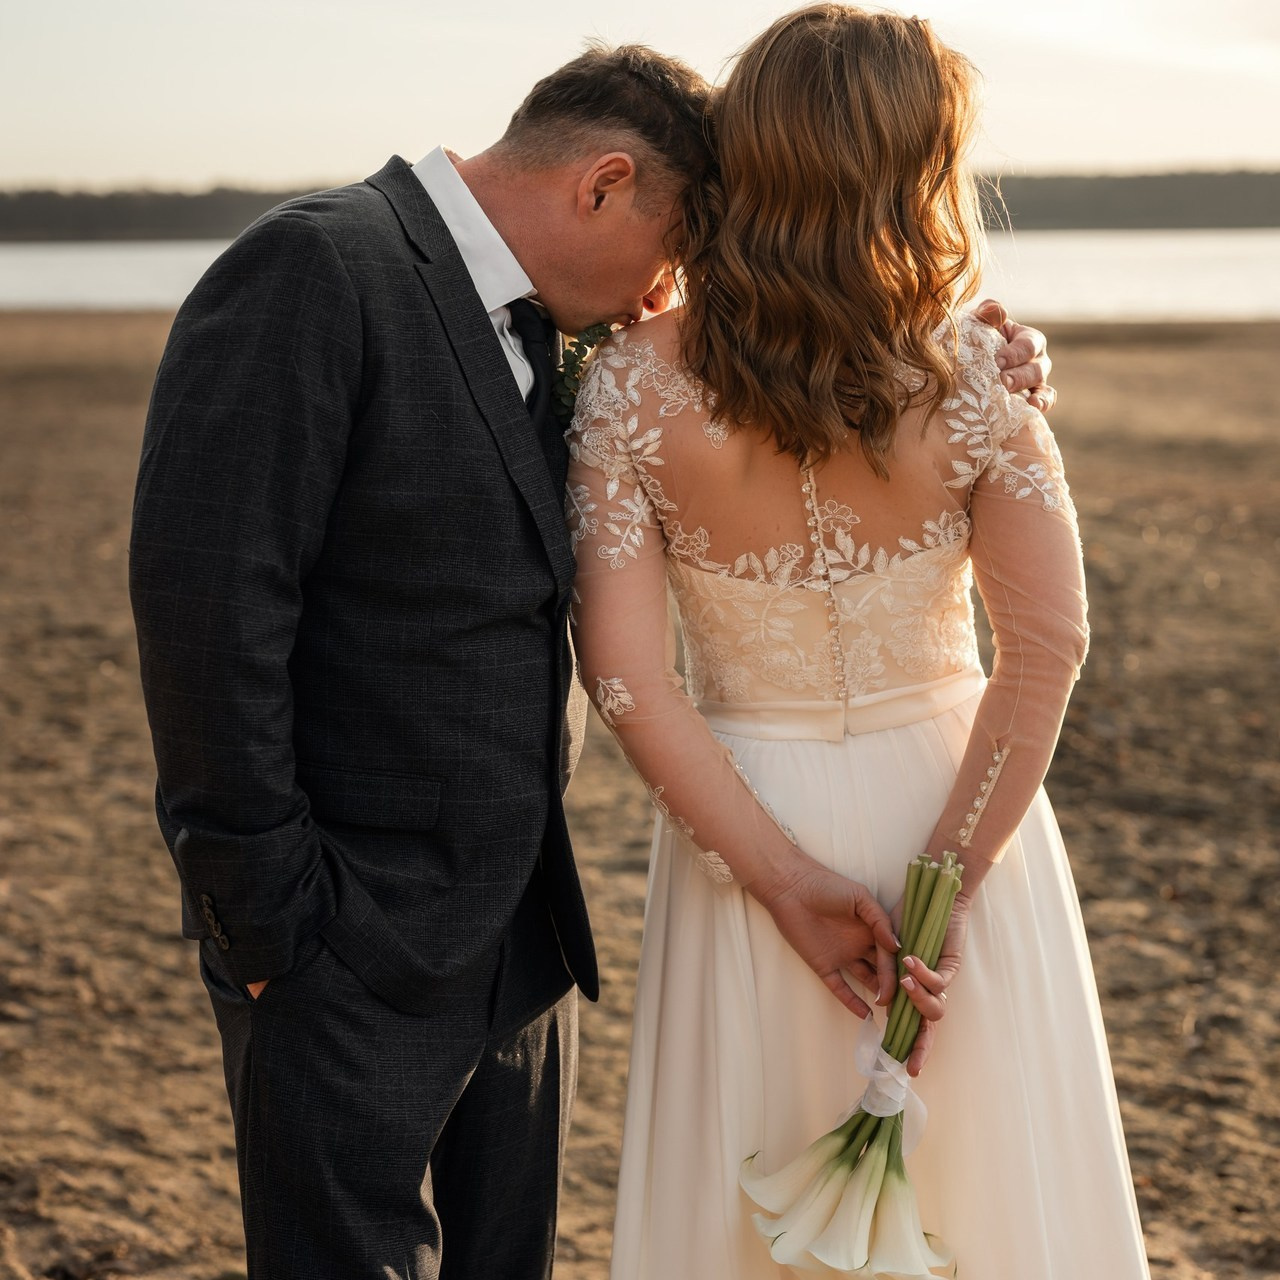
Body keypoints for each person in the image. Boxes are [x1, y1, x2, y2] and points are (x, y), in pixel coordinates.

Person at [129, 32, 1052, 1280]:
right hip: (339, 934)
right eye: (669, 257)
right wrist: (266, 929)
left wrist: (959, 340)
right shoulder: (315, 265)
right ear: (601, 184)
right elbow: (206, 618)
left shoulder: (575, 341)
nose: (659, 299)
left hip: (515, 936)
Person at [566, 7, 1150, 1279]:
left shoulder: (627, 385)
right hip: (960, 810)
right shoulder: (976, 377)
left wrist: (774, 872)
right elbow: (1045, 647)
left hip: (744, 830)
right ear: (915, 166)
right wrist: (941, 888)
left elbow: (623, 678)